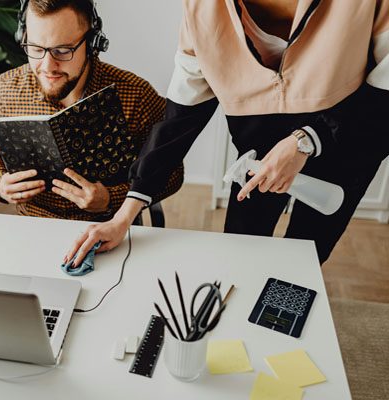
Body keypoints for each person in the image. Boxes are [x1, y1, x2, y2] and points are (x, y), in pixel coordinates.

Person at [65, 0, 389, 267]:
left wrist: (304, 141)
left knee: (304, 258)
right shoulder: (201, 11)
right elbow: (176, 124)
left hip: (349, 148)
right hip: (257, 163)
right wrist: (123, 217)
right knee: (240, 252)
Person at [0, 0, 183, 221]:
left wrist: (110, 198)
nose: (47, 67)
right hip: (33, 227)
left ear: (93, 43)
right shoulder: (7, 88)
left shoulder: (136, 94)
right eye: (35, 49)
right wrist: (0, 183)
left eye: (63, 51)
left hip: (110, 227)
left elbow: (172, 172)